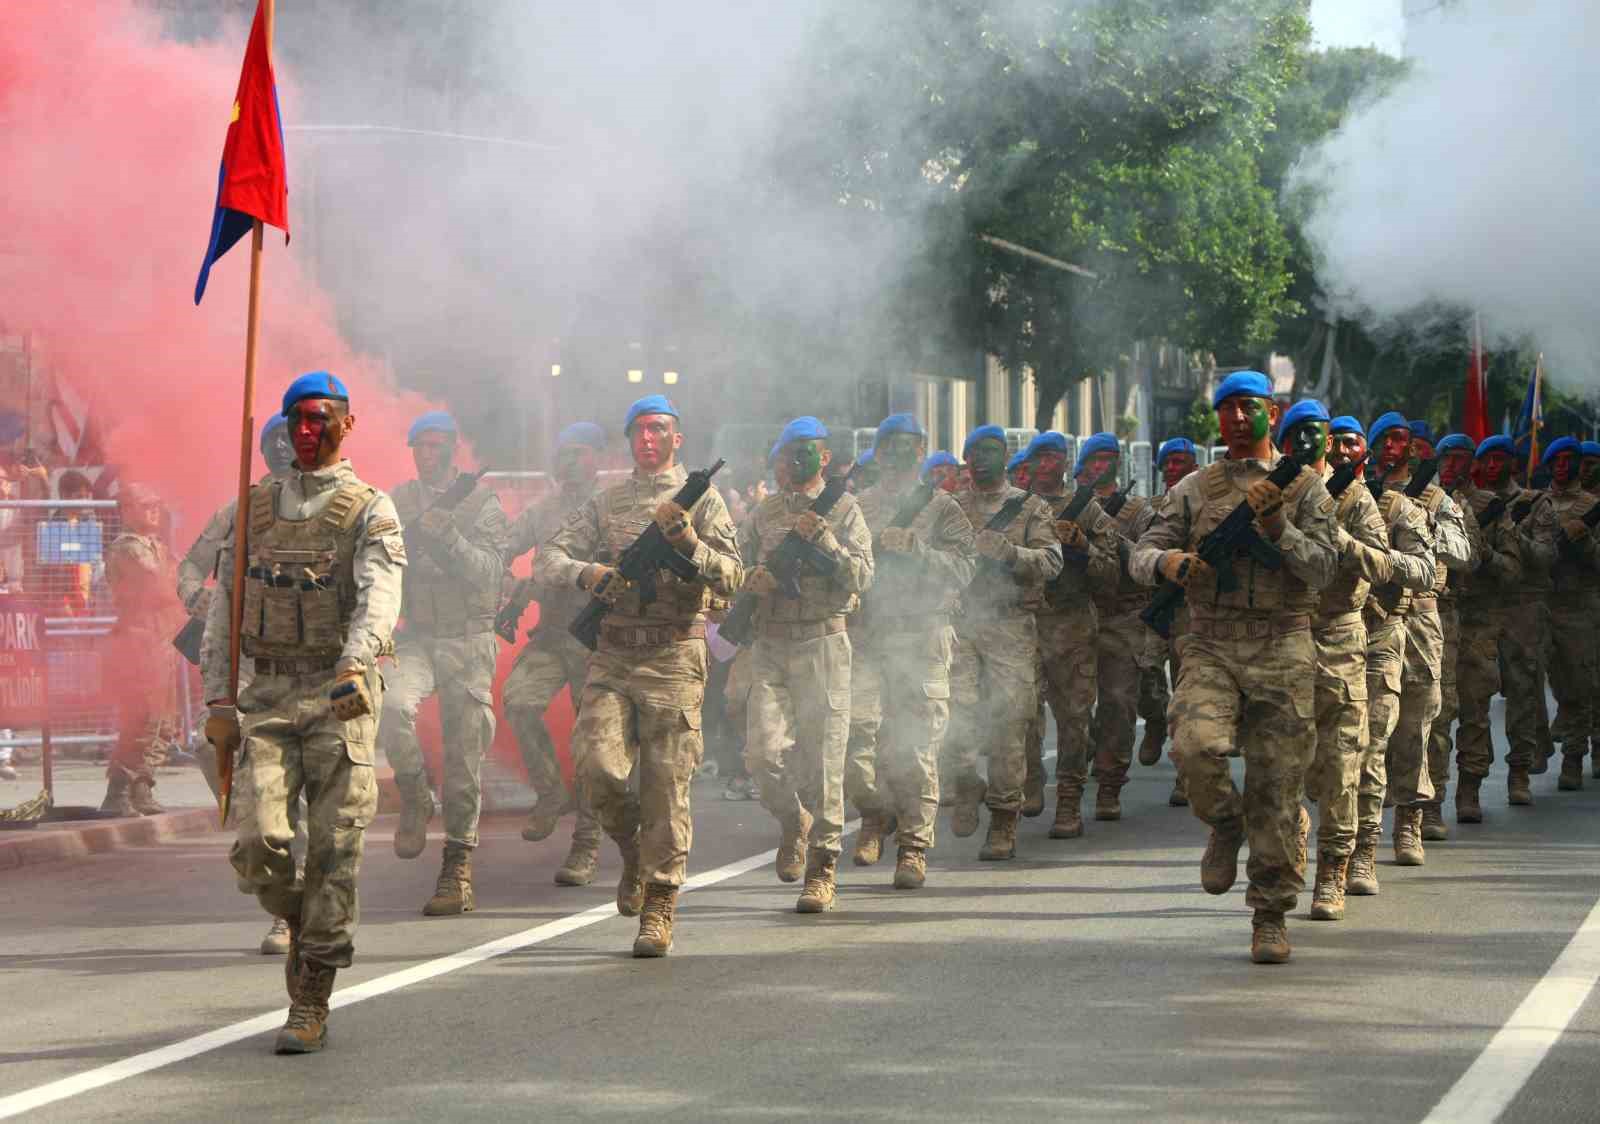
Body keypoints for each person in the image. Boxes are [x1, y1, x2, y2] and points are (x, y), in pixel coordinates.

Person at [204, 371, 405, 1054]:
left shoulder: (369, 509)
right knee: (257, 846)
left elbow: (379, 596)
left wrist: (356, 662)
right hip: (264, 698)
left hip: (336, 696)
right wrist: (217, 698)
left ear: (345, 425)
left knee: (335, 852)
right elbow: (222, 609)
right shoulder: (251, 507)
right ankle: (302, 919)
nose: (307, 430)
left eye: (320, 418)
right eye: (296, 419)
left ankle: (311, 992)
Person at [1131, 371, 1339, 964]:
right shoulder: (1195, 488)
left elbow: (1325, 567)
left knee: (1276, 790)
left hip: (1283, 645)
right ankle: (1225, 824)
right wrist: (1169, 563)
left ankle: (1270, 915)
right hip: (1211, 644)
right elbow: (1140, 552)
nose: (1239, 419)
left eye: (1250, 408)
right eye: (1228, 410)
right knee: (1194, 747)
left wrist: (1278, 526)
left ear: (1271, 411)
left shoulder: (1304, 489)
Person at [534, 395, 742, 957]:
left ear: (678, 438)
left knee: (666, 787)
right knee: (597, 769)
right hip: (612, 656)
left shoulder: (705, 501)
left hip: (675, 658)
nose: (648, 439)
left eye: (660, 429)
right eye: (639, 431)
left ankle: (659, 903)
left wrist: (687, 543)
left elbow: (733, 578)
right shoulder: (607, 502)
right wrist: (588, 573)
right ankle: (631, 848)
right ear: (629, 441)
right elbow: (547, 557)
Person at [175, 414, 299, 956]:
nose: (280, 453)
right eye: (271, 445)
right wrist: (193, 597)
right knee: (213, 745)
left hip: (302, 662)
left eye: (287, 444)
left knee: (300, 779)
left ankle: (293, 909)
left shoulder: (324, 512)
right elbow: (188, 566)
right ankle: (253, 829)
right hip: (246, 659)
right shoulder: (238, 511)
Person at [739, 417, 873, 911]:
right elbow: (735, 562)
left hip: (822, 643)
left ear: (822, 457)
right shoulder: (764, 512)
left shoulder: (845, 509)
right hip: (771, 643)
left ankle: (822, 867)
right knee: (761, 754)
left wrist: (826, 542)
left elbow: (862, 576)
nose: (796, 461)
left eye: (807, 452)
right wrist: (750, 578)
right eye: (788, 452)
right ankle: (794, 821)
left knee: (824, 759)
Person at [382, 412, 509, 917]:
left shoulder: (481, 503)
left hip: (467, 640)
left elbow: (492, 575)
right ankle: (413, 793)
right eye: (418, 446)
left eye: (435, 446)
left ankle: (457, 867)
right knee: (390, 706)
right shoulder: (397, 501)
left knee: (462, 759)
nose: (425, 454)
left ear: (453, 450)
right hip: (416, 636)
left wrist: (449, 539)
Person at [845, 414, 973, 888]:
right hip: (869, 637)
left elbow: (966, 569)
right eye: (890, 446)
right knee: (855, 739)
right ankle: (875, 813)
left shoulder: (943, 509)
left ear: (922, 452)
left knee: (917, 745)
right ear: (878, 453)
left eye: (909, 446)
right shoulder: (856, 507)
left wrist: (918, 550)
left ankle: (914, 847)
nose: (900, 454)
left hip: (922, 636)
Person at [1283, 403, 1399, 921]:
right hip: (1281, 639)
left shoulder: (1355, 498)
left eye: (1316, 435)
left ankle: (1334, 868)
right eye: (1295, 436)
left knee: (1342, 763)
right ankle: (1293, 843)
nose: (1306, 444)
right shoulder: (1273, 491)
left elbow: (1384, 564)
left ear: (1328, 441)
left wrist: (1340, 539)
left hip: (1338, 638)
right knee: (1281, 760)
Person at [947, 425, 1062, 861]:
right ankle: (964, 780)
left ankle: (1003, 818)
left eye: (990, 451)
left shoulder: (1029, 508)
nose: (980, 459)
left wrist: (1012, 554)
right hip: (960, 624)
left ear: (1007, 457)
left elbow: (1052, 561)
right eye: (973, 452)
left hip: (1011, 626)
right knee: (951, 713)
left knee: (1009, 723)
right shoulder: (950, 508)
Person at [503, 422, 607, 885]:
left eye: (579, 453)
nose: (569, 462)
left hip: (596, 638)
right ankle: (549, 792)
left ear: (597, 458)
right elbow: (500, 549)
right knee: (519, 701)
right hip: (551, 632)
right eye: (563, 453)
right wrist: (516, 586)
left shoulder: (612, 507)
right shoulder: (541, 511)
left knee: (591, 741)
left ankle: (587, 842)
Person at [1021, 431, 1116, 839]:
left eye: (1053, 457)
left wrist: (1082, 547)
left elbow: (1113, 572)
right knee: (1019, 710)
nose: (1046, 465)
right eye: (1039, 457)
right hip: (1023, 622)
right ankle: (1029, 773)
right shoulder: (1014, 505)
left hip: (1072, 623)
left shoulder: (1088, 509)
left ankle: (1069, 799)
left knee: (1074, 718)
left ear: (1065, 462)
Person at [1077, 432, 1157, 821]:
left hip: (1123, 615)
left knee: (1119, 701)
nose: (1101, 466)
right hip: (1077, 611)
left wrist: (1113, 539)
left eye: (1109, 458)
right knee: (1071, 702)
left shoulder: (1138, 511)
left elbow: (1150, 556)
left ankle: (1110, 781)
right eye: (1094, 459)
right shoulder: (1071, 505)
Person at [1448, 435, 1525, 823]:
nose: (1453, 465)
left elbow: (1513, 569)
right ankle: (1425, 803)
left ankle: (1469, 788)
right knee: (1432, 717)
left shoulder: (1490, 507)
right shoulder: (1422, 502)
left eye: (1462, 458)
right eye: (1447, 457)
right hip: (1436, 621)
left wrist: (1485, 555)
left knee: (1475, 712)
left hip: (1479, 624)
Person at [99, 484, 187, 816]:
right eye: (144, 504)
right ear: (126, 510)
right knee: (140, 718)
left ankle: (142, 787)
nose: (153, 509)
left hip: (161, 638)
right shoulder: (128, 548)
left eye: (156, 503)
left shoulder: (158, 546)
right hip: (139, 640)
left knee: (164, 721)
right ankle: (118, 791)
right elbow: (162, 586)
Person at [1525, 437, 1598, 792]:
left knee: (1580, 683)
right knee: (1529, 678)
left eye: (1571, 460)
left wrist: (1584, 540)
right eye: (1558, 460)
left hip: (1579, 606)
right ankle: (1539, 743)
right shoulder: (1536, 503)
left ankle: (1574, 755)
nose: (1564, 466)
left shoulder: (1591, 505)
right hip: (1541, 603)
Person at [1140, 437, 1201, 805]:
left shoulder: (1204, 504)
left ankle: (1184, 775)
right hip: (1155, 606)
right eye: (1171, 463)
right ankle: (1153, 720)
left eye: (1183, 461)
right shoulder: (1150, 509)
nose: (1176, 468)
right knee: (1143, 680)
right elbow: (1137, 552)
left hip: (1188, 613)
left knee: (1186, 695)